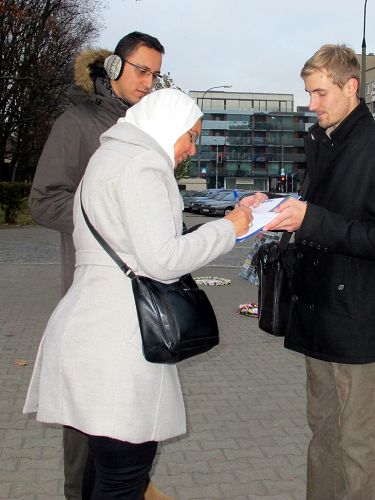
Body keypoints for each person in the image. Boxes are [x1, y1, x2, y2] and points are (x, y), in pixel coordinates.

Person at [24, 88, 253, 499]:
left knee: (102, 468)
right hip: (118, 347)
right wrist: (229, 230)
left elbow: (141, 244)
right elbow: (162, 259)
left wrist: (237, 217)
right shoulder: (143, 165)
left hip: (92, 332)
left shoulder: (112, 156)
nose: (191, 149)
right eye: (191, 136)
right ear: (169, 127)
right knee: (124, 475)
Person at [263, 44, 375, 499]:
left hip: (356, 320)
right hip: (317, 311)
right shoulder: (322, 143)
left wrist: (310, 219)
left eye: (321, 93)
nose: (312, 104)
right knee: (323, 434)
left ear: (352, 88)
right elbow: (320, 216)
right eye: (309, 93)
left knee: (362, 441)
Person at [28, 32, 166, 500]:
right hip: (91, 298)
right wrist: (109, 220)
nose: (149, 82)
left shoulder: (147, 128)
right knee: (87, 424)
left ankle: (132, 486)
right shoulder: (78, 123)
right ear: (113, 68)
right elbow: (44, 201)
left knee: (133, 414)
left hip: (142, 297)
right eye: (141, 70)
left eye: (155, 73)